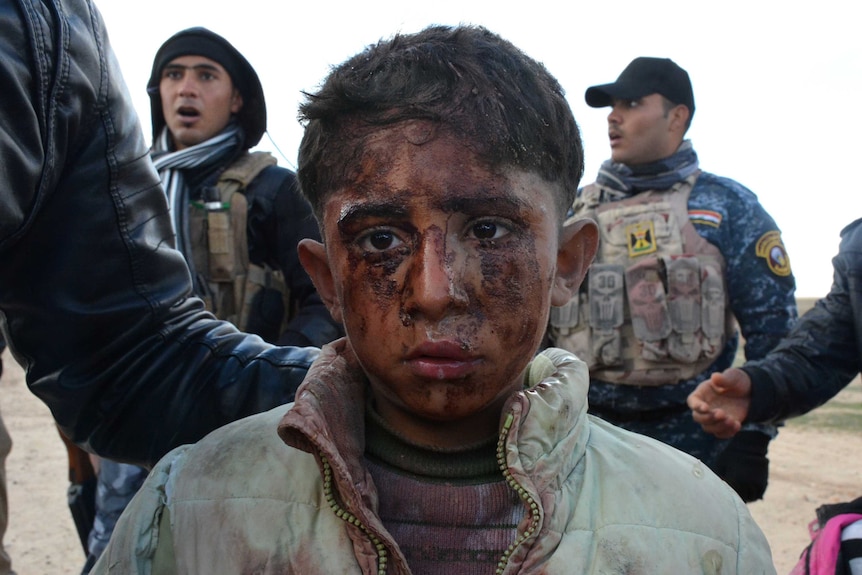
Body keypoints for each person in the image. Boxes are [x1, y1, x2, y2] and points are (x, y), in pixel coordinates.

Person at [87, 25, 775, 573]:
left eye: (491, 229)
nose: (434, 291)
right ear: (325, 279)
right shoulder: (188, 513)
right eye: (381, 240)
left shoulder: (706, 536)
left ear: (567, 262)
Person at [78, 25, 343, 573]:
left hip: (250, 415)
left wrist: (273, 380)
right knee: (120, 548)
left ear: (238, 98)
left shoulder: (273, 189)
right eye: (173, 76)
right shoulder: (117, 193)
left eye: (205, 75)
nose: (186, 90)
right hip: (142, 412)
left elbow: (323, 300)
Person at [546, 56, 797, 502]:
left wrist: (753, 436)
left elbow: (773, 332)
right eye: (611, 105)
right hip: (584, 440)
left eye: (632, 103)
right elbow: (535, 323)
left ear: (676, 116)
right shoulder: (573, 214)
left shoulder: (726, 207)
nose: (613, 116)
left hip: (694, 447)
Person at [689, 217, 862, 574]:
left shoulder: (728, 206)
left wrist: (752, 443)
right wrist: (757, 387)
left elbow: (767, 319)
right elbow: (822, 348)